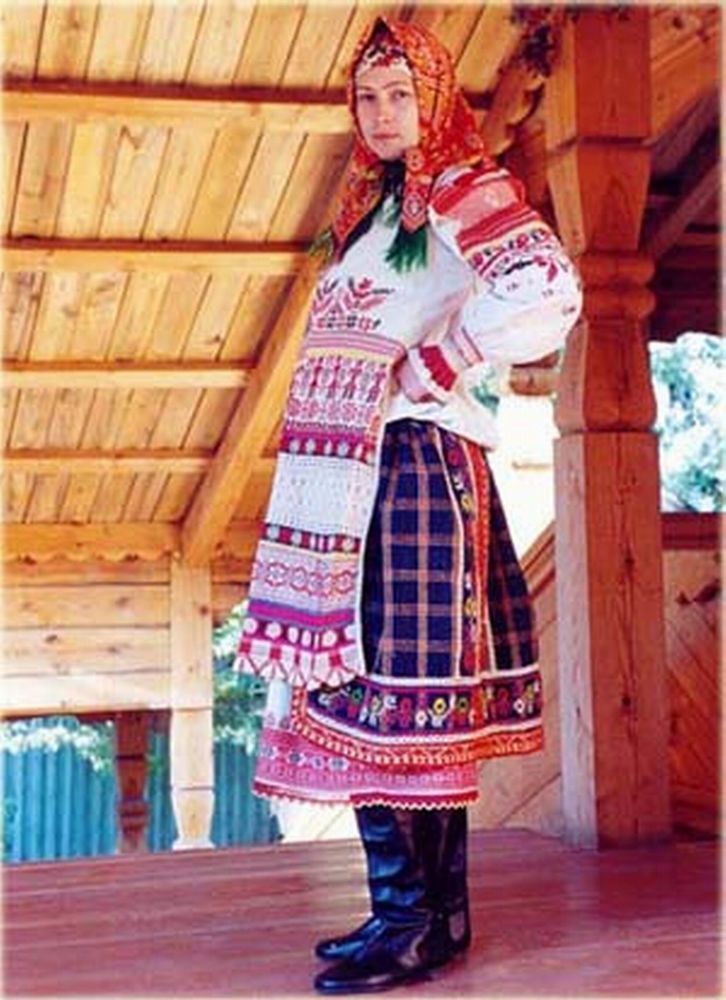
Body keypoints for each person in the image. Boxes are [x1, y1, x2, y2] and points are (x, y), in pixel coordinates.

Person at [235, 16, 582, 995]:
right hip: (354, 475)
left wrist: (444, 359)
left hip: (409, 468)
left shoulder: (459, 186)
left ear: (433, 101)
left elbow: (547, 287)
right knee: (375, 694)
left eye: (401, 95)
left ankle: (413, 922)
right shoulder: (376, 208)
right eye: (369, 97)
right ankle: (428, 914)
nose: (383, 114)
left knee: (391, 696)